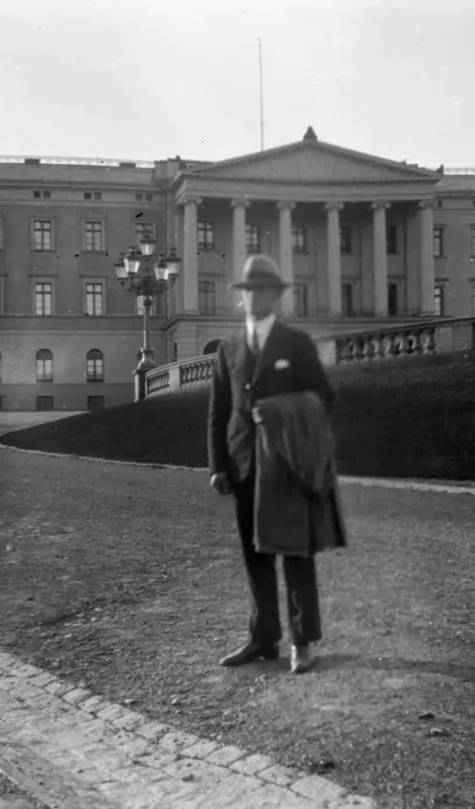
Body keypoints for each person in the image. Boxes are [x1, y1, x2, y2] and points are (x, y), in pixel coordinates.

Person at [207, 254, 343, 675]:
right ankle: (263, 639)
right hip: (244, 464)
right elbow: (219, 410)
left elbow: (323, 398)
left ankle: (302, 642)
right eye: (247, 292)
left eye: (262, 290)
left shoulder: (296, 343)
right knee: (254, 555)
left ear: (276, 296)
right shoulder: (227, 348)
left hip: (286, 466)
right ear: (241, 298)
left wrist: (277, 411)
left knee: (295, 553)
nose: (253, 298)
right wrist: (218, 465)